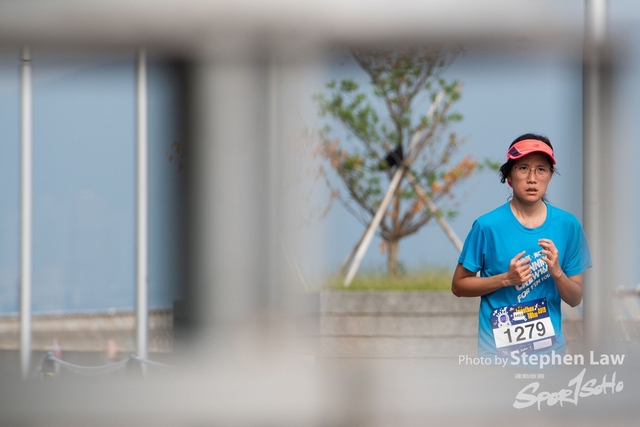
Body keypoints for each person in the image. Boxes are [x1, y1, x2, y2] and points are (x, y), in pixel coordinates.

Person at [451, 134, 592, 360]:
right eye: (523, 168)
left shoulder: (568, 226)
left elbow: (575, 299)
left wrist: (557, 272)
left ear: (550, 175)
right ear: (509, 175)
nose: (532, 178)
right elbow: (458, 285)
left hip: (549, 358)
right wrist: (505, 279)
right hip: (496, 359)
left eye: (541, 170)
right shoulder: (487, 226)